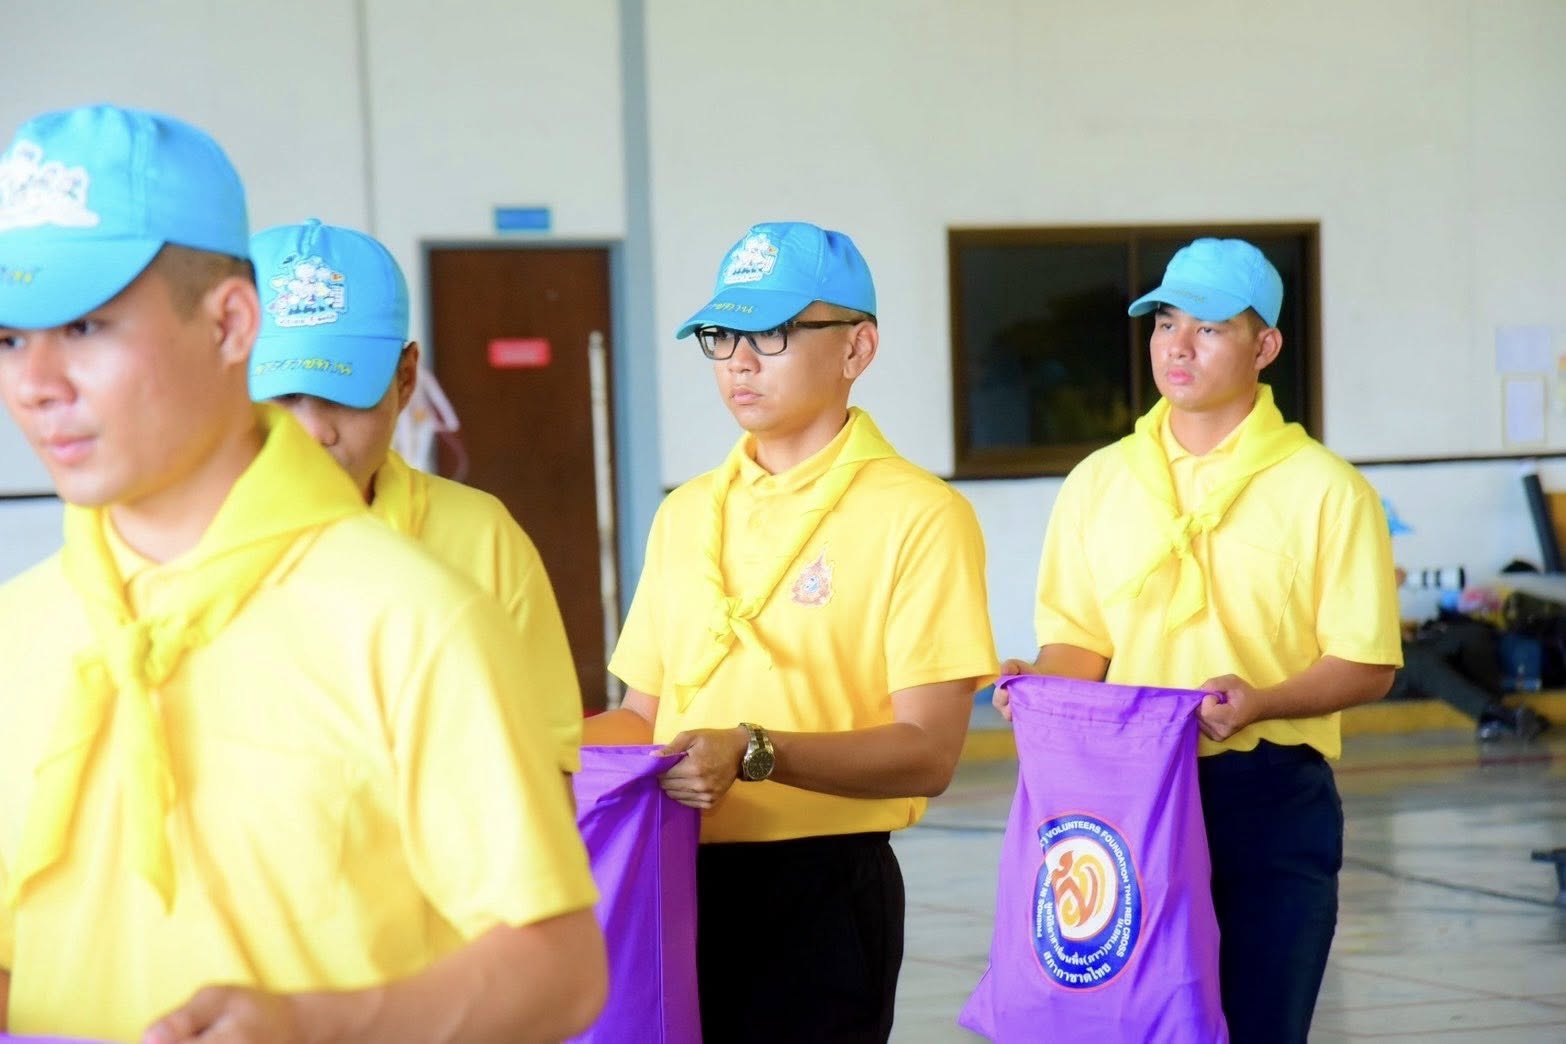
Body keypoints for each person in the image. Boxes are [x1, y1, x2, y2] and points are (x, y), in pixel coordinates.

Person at [0, 104, 604, 1042]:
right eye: (9, 338)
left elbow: (560, 971)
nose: (35, 384)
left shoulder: (410, 619)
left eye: (85, 327)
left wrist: (324, 1027)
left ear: (230, 323)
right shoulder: (20, 629)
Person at [583, 221, 999, 1042]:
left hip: (820, 892)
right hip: (665, 872)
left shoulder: (920, 515)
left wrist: (754, 751)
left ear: (856, 348)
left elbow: (929, 753)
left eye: (770, 333)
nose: (739, 360)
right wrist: (538, 753)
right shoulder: (686, 513)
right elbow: (642, 717)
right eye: (721, 335)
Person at [996, 238, 1402, 1043]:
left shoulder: (1327, 490)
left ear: (1265, 346)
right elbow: (1079, 644)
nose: (1177, 346)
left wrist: (1263, 701)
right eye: (1164, 323)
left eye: (1209, 328)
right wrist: (1038, 687)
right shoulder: (1099, 483)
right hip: (1125, 796)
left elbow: (1367, 663)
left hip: (1265, 795)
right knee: (1124, 1024)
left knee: (1259, 1022)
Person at [248, 217, 582, 775]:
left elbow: (545, 760)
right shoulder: (175, 544)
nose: (315, 431)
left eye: (344, 395)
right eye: (282, 398)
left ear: (405, 380)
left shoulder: (480, 538)